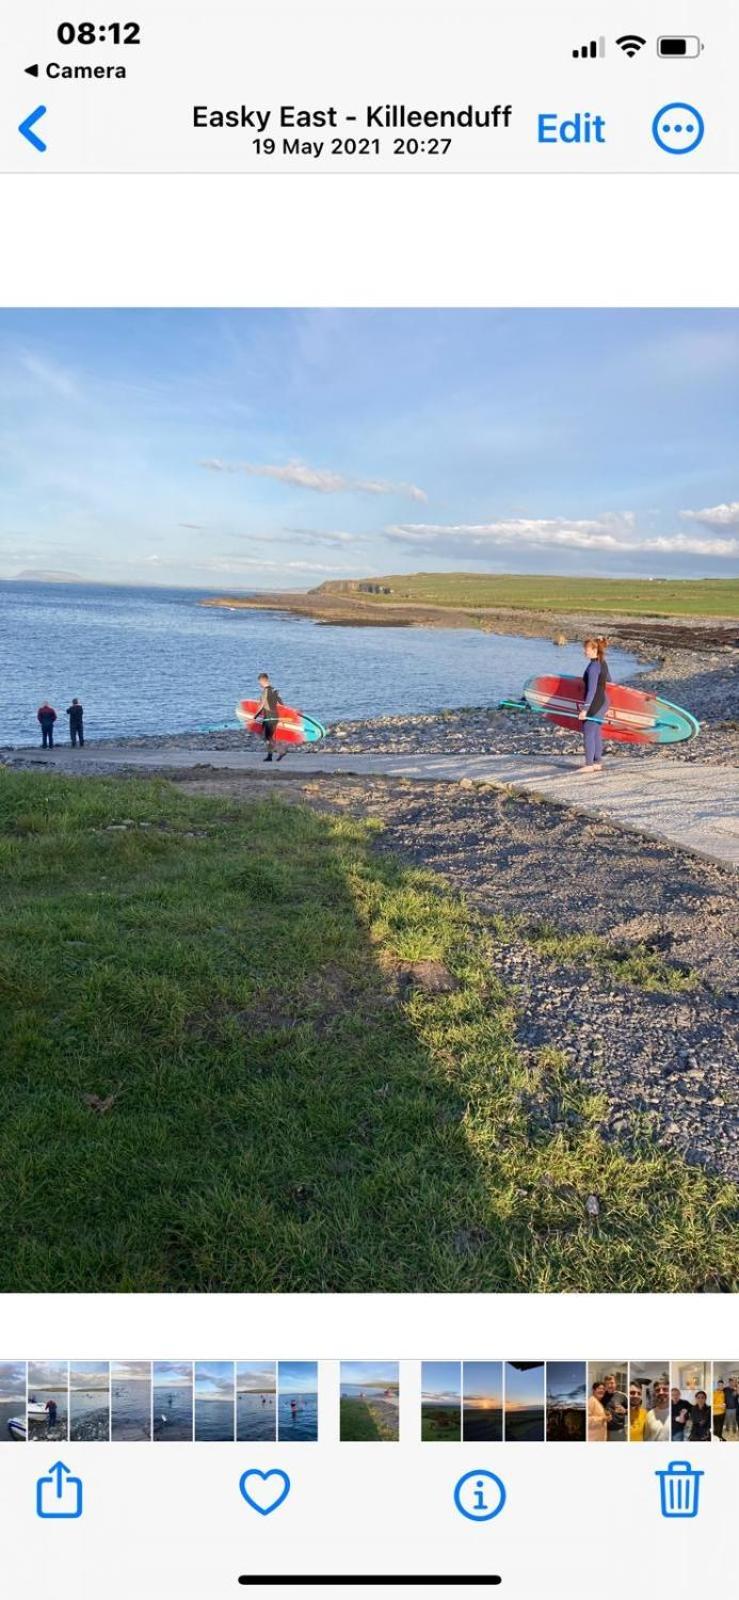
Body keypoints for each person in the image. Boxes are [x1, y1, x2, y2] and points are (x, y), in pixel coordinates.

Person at [577, 636, 610, 773]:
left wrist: (585, 709)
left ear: (595, 649)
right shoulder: (602, 663)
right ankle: (597, 762)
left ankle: (589, 765)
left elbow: (592, 689)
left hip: (595, 702)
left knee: (588, 731)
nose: (584, 652)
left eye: (587, 649)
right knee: (596, 732)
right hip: (603, 701)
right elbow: (608, 679)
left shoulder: (593, 667)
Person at [253, 672, 285, 763]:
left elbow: (262, 704)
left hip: (268, 716)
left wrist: (255, 716)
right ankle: (271, 755)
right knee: (269, 737)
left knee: (267, 737)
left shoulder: (265, 691)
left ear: (263, 680)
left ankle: (279, 751)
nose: (259, 684)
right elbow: (281, 702)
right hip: (275, 716)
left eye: (259, 682)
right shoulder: (275, 690)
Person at [602, 1373, 627, 1440]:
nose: (610, 1385)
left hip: (618, 1431)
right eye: (607, 1384)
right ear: (605, 1385)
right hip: (604, 1430)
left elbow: (630, 1411)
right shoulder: (601, 1396)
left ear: (616, 1384)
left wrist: (625, 1410)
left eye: (612, 1383)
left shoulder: (623, 1396)